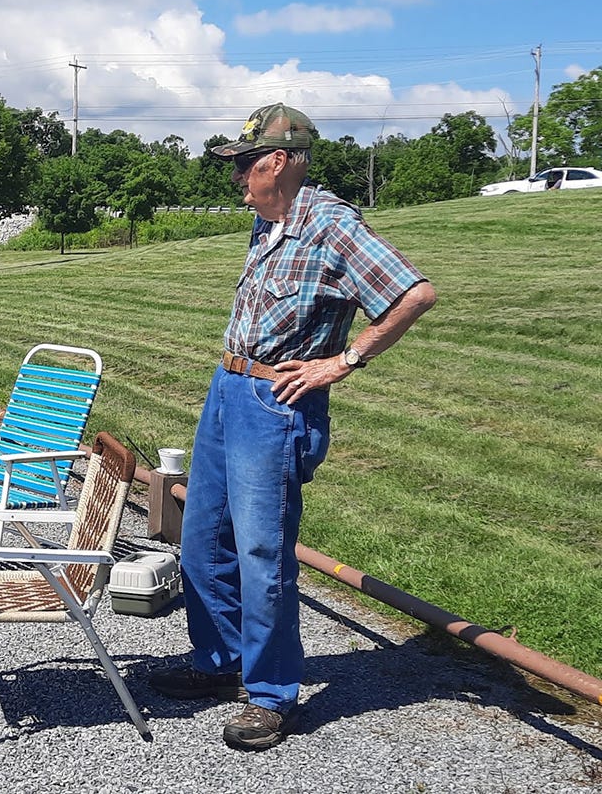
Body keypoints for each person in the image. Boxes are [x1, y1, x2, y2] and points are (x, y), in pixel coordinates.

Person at [149, 103, 437, 750]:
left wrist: (343, 361)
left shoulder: (331, 225)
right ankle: (220, 662)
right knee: (201, 540)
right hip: (228, 389)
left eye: (244, 165)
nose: (237, 178)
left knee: (261, 554)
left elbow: (413, 294)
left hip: (275, 404)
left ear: (278, 161)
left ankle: (272, 692)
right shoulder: (267, 222)